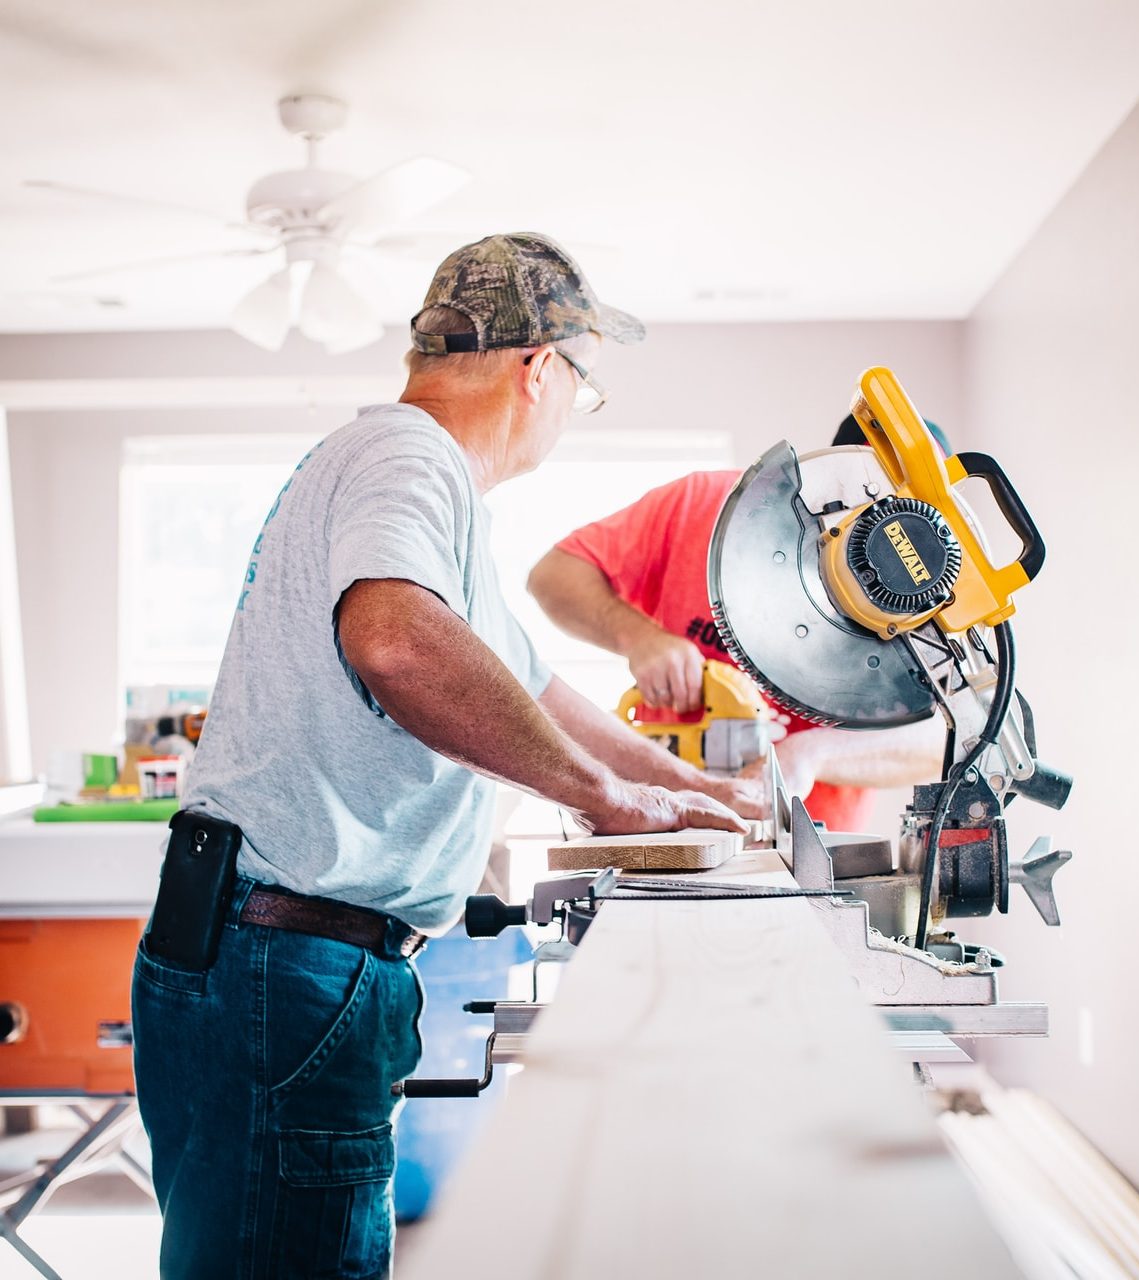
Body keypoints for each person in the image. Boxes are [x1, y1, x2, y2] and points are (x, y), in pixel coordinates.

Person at [131, 233, 758, 1280]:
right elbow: (394, 639)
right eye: (582, 387)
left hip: (274, 954)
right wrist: (605, 799)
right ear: (540, 368)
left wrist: (684, 787)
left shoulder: (416, 485)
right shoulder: (408, 456)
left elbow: (532, 683)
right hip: (286, 963)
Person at [527, 414, 951, 832]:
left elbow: (944, 739)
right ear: (830, 468)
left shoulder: (927, 598)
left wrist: (811, 752)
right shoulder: (703, 505)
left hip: (808, 846)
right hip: (662, 817)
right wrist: (638, 637)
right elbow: (553, 576)